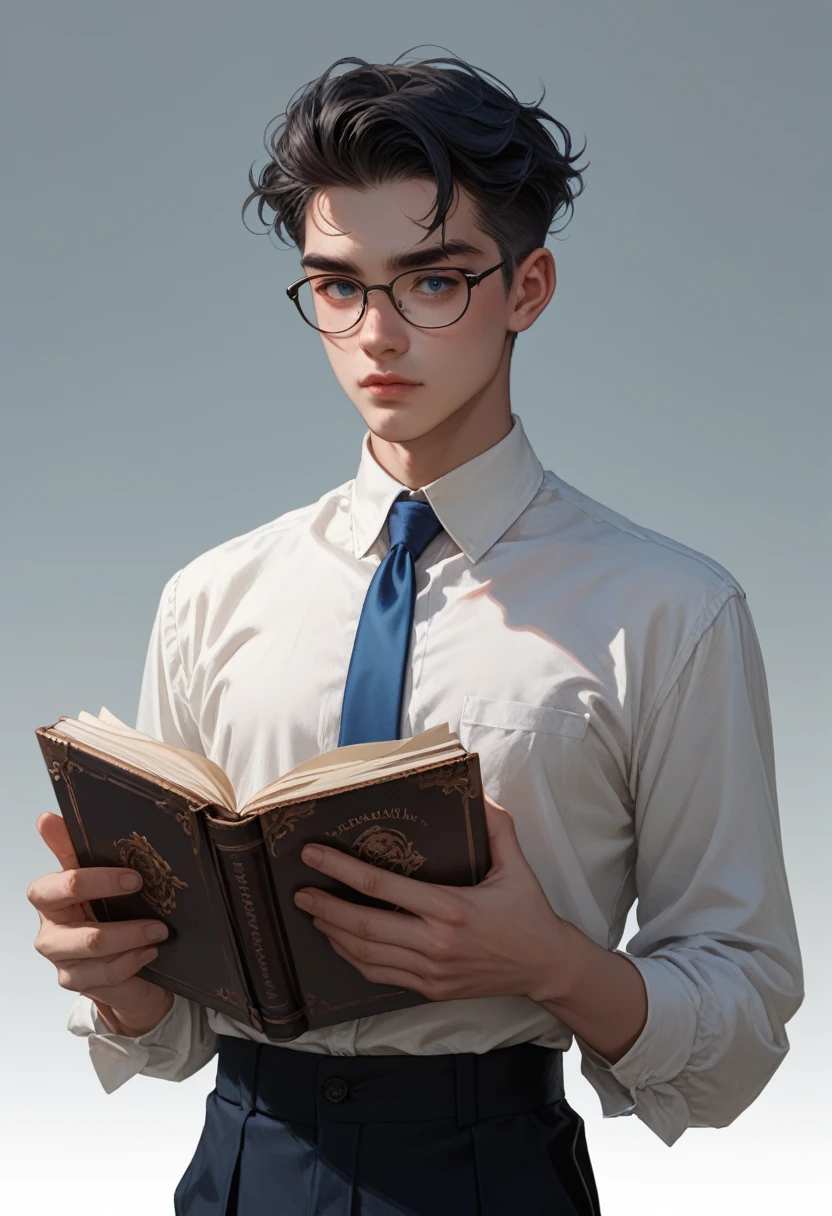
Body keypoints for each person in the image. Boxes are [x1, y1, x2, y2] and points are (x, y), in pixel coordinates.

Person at [27, 52, 804, 1216]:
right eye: (336, 285)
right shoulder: (210, 596)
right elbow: (177, 1028)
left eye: (431, 281)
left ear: (526, 288)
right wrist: (120, 976)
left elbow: (740, 1011)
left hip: (493, 1166)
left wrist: (546, 962)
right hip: (241, 1159)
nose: (375, 332)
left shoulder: (669, 608)